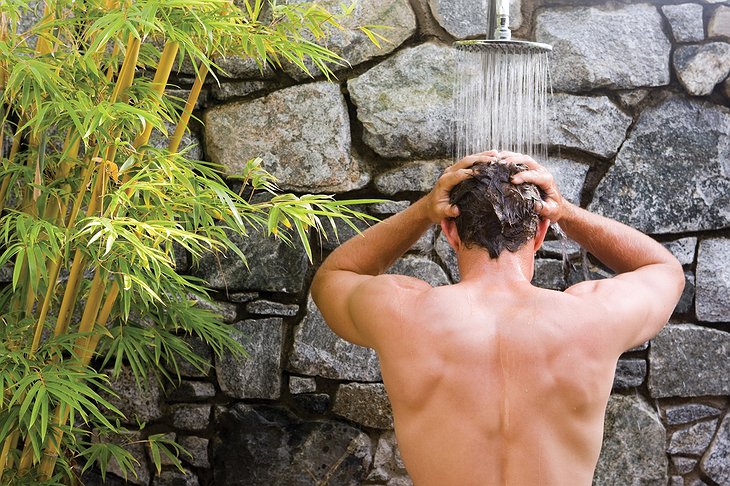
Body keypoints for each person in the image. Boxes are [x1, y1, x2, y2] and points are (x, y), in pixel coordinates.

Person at [310, 151, 684, 485]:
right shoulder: (592, 317)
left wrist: (423, 210)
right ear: (539, 233)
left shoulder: (404, 313)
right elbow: (665, 269)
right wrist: (565, 213)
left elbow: (332, 277)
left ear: (450, 231)